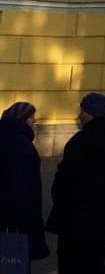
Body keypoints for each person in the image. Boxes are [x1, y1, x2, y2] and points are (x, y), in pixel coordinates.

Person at [45, 92, 105, 274]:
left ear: (87, 112)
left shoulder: (80, 142)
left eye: (82, 110)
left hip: (75, 220)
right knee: (96, 264)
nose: (79, 115)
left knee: (72, 264)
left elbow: (63, 181)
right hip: (101, 216)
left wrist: (60, 201)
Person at [0, 101, 49, 268]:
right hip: (16, 219)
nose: (34, 123)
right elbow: (24, 187)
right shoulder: (22, 145)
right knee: (15, 263)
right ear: (23, 119)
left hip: (6, 214)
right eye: (32, 119)